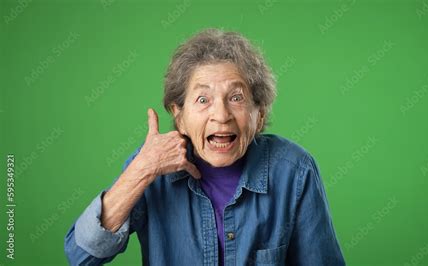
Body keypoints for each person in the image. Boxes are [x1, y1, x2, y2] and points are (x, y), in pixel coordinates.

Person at [64, 28, 345, 265]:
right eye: (202, 99)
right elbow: (81, 255)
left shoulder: (295, 170)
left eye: (236, 98)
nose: (221, 115)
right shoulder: (149, 165)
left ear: (259, 116)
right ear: (179, 116)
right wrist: (142, 170)